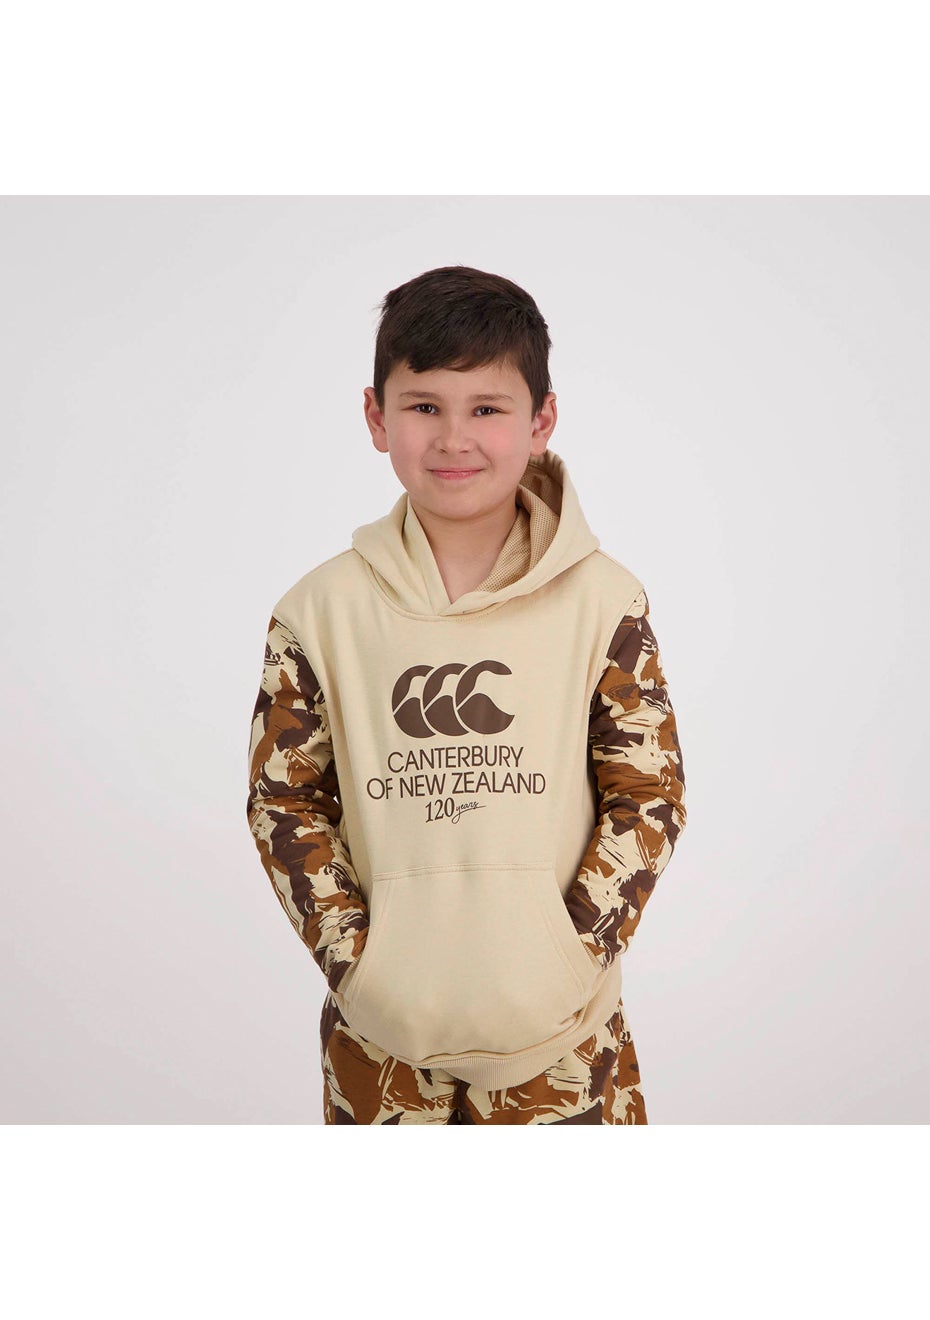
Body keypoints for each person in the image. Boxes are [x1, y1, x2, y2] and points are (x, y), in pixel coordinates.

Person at [246, 264, 687, 1124]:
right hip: (379, 1047)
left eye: (487, 409)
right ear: (377, 417)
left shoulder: (605, 601)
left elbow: (648, 795)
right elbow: (284, 801)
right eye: (424, 406)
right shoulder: (320, 610)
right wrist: (360, 968)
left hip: (565, 1043)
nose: (454, 439)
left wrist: (567, 961)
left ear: (541, 421)